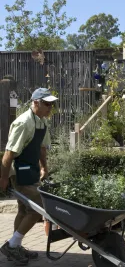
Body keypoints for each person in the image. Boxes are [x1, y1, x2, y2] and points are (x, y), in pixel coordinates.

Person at [0, 88, 58, 265]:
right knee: (37, 208)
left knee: (23, 210)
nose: (50, 107)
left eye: (51, 104)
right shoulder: (23, 123)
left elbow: (41, 148)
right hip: (20, 171)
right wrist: (3, 178)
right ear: (35, 103)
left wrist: (44, 168)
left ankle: (15, 246)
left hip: (32, 170)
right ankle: (12, 245)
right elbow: (9, 153)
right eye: (47, 104)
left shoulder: (42, 122)